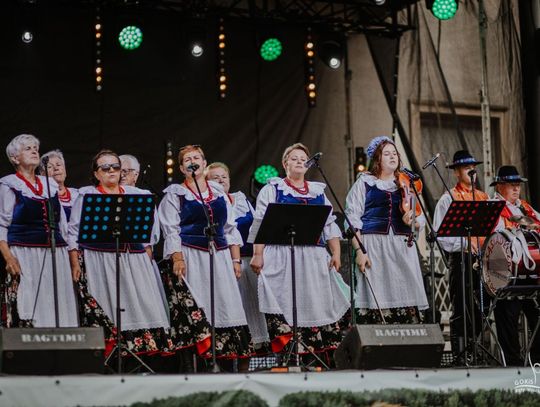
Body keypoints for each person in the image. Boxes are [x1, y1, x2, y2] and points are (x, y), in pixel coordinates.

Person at [250, 142, 349, 361]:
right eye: (293, 158)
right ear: (285, 163)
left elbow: (329, 225)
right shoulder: (272, 189)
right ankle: (287, 357)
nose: (299, 162)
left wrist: (335, 253)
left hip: (312, 257)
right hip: (281, 255)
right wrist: (258, 254)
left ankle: (314, 359)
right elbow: (260, 223)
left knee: (314, 302)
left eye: (302, 158)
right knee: (285, 304)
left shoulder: (317, 192)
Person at [68, 149, 170, 355]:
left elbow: (149, 232)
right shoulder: (88, 195)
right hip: (99, 259)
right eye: (105, 168)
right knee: (108, 306)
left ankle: (137, 351)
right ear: (96, 174)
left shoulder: (136, 196)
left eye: (115, 167)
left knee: (139, 302)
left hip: (133, 258)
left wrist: (145, 255)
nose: (112, 171)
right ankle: (110, 353)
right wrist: (75, 263)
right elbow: (72, 232)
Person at [158, 145, 252, 366]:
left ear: (203, 162)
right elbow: (171, 230)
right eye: (188, 159)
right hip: (191, 255)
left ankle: (226, 360)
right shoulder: (175, 194)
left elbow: (229, 228)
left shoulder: (218, 192)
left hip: (219, 256)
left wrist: (235, 260)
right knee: (200, 304)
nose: (193, 161)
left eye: (197, 157)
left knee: (224, 303)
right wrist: (178, 258)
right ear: (181, 168)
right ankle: (197, 362)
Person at [345, 136, 428, 324]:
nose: (392, 156)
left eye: (394, 153)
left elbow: (419, 218)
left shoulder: (407, 185)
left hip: (401, 246)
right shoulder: (365, 183)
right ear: (377, 159)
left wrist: (412, 220)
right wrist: (359, 251)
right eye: (386, 153)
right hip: (373, 245)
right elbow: (352, 219)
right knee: (378, 294)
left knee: (405, 291)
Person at [0, 134, 78, 327]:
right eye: (28, 148)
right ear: (15, 158)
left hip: (56, 252)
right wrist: (9, 258)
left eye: (36, 147)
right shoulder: (9, 184)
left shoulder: (50, 184)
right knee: (31, 300)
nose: (35, 151)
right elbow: (2, 224)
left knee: (58, 299)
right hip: (25, 251)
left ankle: (63, 346)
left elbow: (62, 225)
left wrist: (72, 260)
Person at [433, 149, 489, 364]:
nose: (471, 171)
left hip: (483, 261)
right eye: (467, 168)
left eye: (473, 168)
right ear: (457, 172)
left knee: (481, 307)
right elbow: (442, 235)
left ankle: (475, 349)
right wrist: (466, 243)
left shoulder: (483, 197)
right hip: (461, 259)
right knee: (461, 308)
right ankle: (460, 354)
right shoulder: (448, 198)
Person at [206, 162, 269, 348]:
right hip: (227, 262)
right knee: (237, 307)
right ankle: (241, 351)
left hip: (251, 260)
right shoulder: (209, 203)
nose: (220, 180)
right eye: (215, 177)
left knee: (257, 307)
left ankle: (260, 350)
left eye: (223, 177)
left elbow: (257, 226)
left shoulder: (241, 199)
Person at [491, 165, 540, 365]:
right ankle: (513, 364)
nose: (516, 189)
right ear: (500, 186)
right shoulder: (493, 206)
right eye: (511, 185)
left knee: (536, 315)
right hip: (505, 272)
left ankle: (536, 360)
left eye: (517, 185)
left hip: (529, 273)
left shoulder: (525, 207)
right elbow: (493, 235)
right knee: (507, 318)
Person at [39, 149, 79, 221]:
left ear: (65, 170)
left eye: (58, 165)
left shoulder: (77, 194)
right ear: (42, 174)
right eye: (50, 167)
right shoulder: (40, 197)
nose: (56, 168)